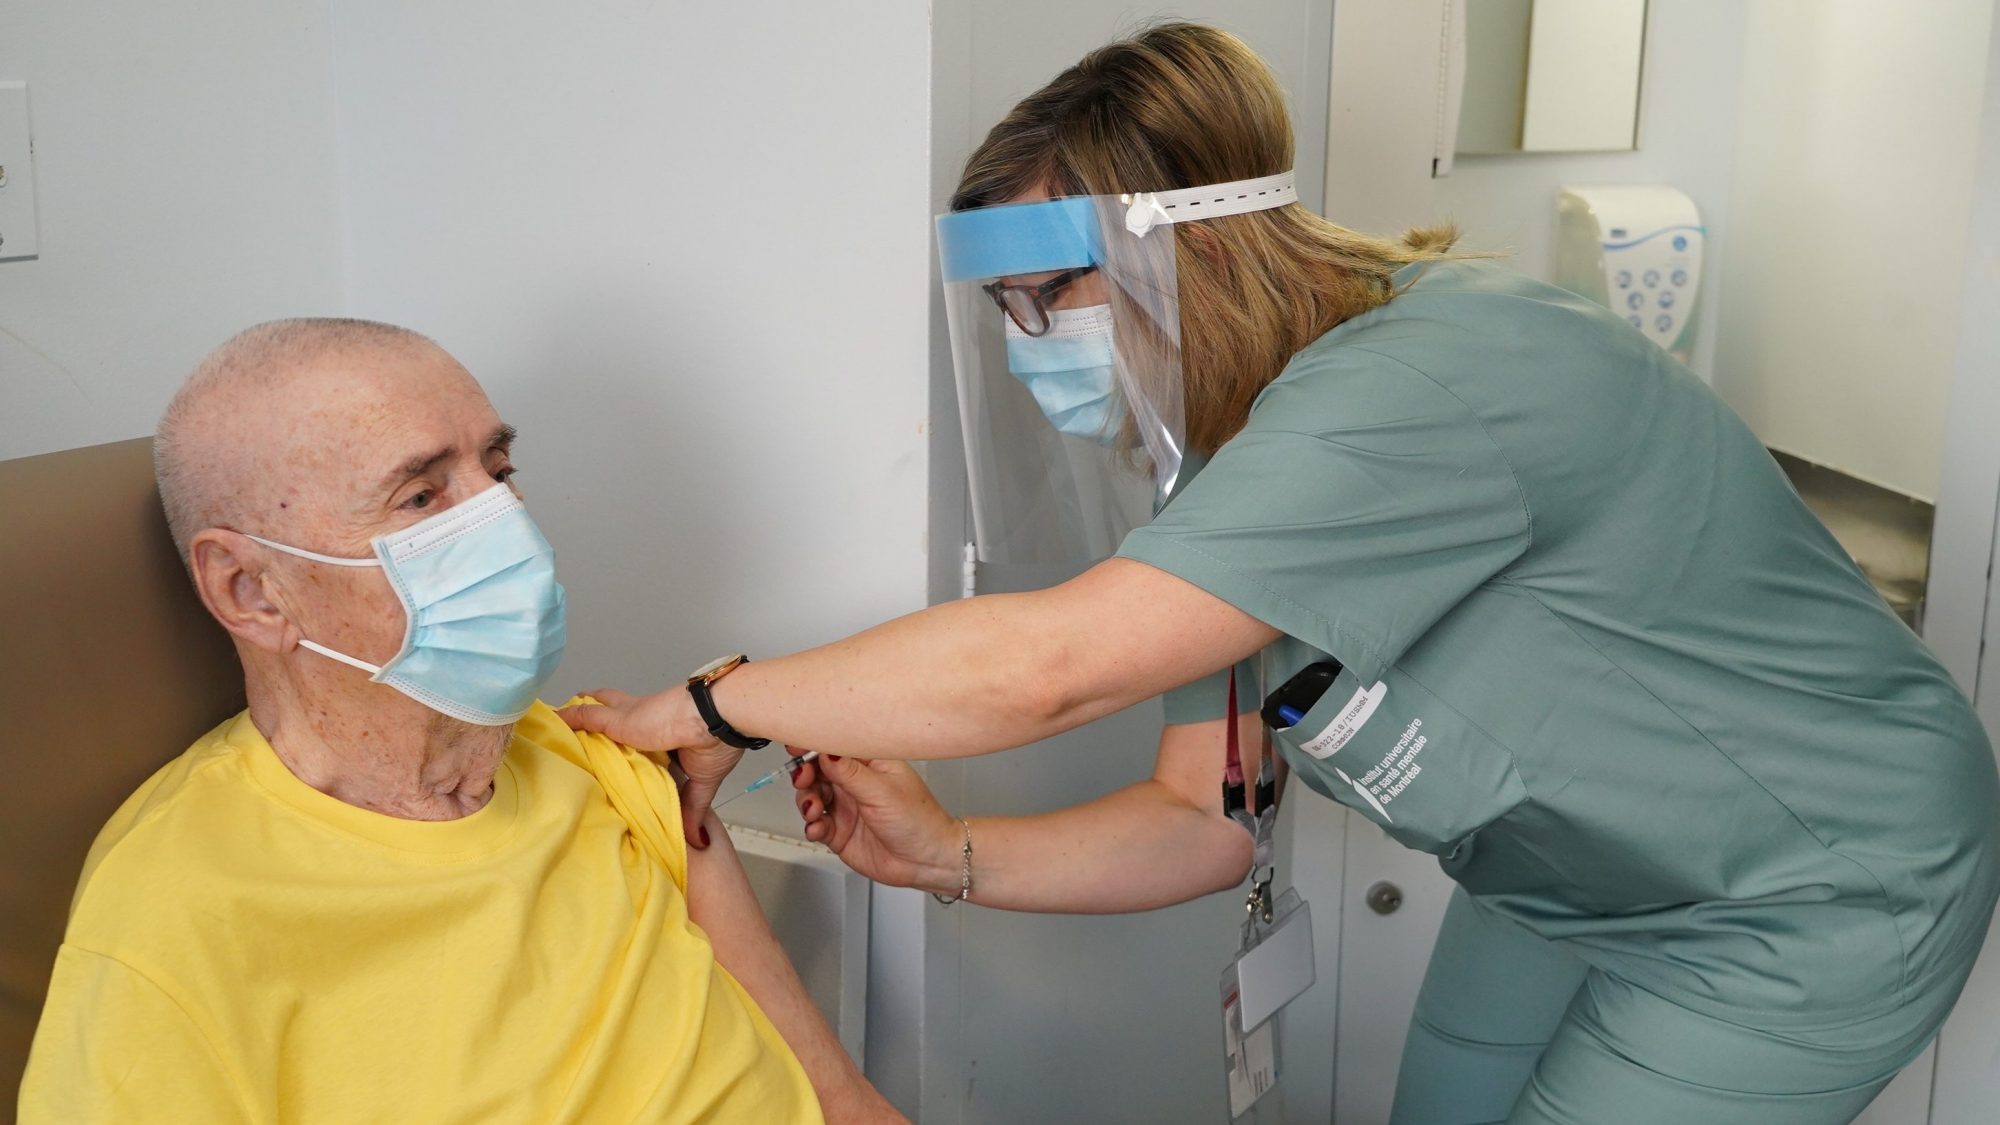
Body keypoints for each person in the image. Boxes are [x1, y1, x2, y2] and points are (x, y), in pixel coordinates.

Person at [561, 22, 2000, 1125]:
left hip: (1810, 895)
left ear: (1191, 244)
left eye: (1047, 295)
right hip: (1573, 880)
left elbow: (1046, 667)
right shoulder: (1231, 470)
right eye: (998, 308)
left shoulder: (1429, 381)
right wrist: (948, 858)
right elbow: (1204, 822)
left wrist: (708, 705)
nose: (1025, 342)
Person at [18, 319, 899, 1124]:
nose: (505, 520)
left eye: (499, 469)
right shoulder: (177, 916)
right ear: (252, 591)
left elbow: (842, 1102)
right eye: (421, 498)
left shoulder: (593, 749)